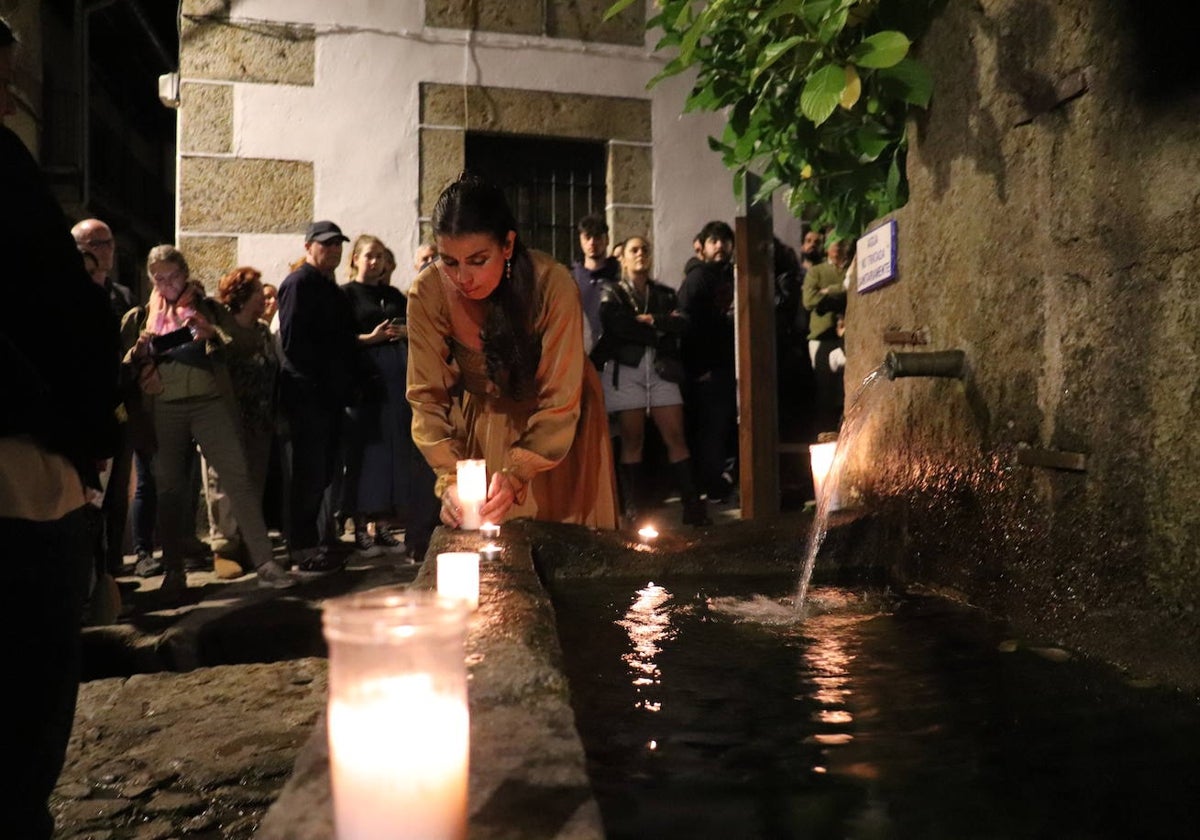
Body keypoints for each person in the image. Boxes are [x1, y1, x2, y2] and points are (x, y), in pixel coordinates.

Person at [1, 17, 121, 836]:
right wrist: (90, 433)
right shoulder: (3, 171)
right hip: (21, 472)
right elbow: (54, 317)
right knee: (21, 720)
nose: (12, 92)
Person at [407, 173, 619, 529]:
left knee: (563, 544)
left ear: (507, 245)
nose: (463, 278)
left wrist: (519, 472)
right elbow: (426, 397)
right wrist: (449, 477)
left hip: (559, 431)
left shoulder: (552, 284)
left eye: (477, 260)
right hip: (485, 423)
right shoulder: (429, 292)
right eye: (450, 261)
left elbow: (560, 399)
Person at [121, 246, 294, 596]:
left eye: (173, 276)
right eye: (159, 278)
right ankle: (173, 571)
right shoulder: (141, 316)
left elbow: (244, 340)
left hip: (210, 404)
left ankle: (265, 562)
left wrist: (211, 333)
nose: (167, 284)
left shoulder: (209, 307)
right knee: (169, 489)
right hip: (165, 406)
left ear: (185, 274)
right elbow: (124, 363)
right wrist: (140, 351)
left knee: (238, 479)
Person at [591, 236, 709, 527]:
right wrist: (658, 329)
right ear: (623, 257)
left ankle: (692, 506)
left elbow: (683, 323)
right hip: (627, 370)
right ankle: (634, 508)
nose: (641, 254)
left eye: (645, 249)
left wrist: (653, 320)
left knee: (676, 437)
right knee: (633, 438)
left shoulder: (664, 293)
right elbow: (616, 325)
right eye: (634, 250)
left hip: (661, 370)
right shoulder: (613, 290)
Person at [341, 234, 438, 561]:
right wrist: (371, 338)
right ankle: (359, 528)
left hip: (397, 384)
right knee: (367, 455)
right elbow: (339, 339)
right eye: (369, 255)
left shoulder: (394, 295)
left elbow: (416, 326)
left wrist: (406, 333)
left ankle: (383, 525)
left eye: (381, 257)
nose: (375, 262)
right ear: (354, 258)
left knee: (393, 456)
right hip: (367, 385)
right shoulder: (346, 296)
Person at [277, 220, 360, 574]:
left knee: (323, 472)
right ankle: (301, 549)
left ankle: (315, 544)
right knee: (310, 474)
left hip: (329, 395)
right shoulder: (299, 284)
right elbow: (294, 344)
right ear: (309, 246)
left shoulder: (331, 288)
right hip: (309, 394)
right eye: (326, 244)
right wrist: (319, 381)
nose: (334, 250)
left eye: (338, 245)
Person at [205, 266, 281, 579]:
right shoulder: (224, 331)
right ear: (241, 297)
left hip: (260, 419)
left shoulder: (263, 331)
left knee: (254, 482)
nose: (263, 297)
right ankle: (224, 548)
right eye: (256, 292)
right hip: (229, 419)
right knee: (222, 485)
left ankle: (251, 544)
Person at [677, 219, 739, 504]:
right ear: (702, 246)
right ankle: (711, 486)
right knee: (710, 431)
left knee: (726, 427)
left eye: (725, 241)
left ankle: (721, 483)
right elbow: (687, 327)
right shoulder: (697, 279)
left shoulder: (733, 276)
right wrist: (697, 369)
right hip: (707, 370)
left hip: (729, 366)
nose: (721, 246)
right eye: (715, 240)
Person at [803, 237, 851, 434]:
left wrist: (829, 290)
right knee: (824, 392)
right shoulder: (817, 271)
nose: (837, 246)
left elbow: (853, 291)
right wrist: (842, 291)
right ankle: (824, 433)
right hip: (822, 338)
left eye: (841, 242)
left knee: (845, 389)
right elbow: (809, 300)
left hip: (846, 336)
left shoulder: (851, 270)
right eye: (833, 242)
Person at [571, 213, 619, 354]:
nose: (592, 242)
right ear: (581, 240)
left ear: (607, 239)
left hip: (611, 357)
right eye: (587, 237)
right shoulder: (570, 278)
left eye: (597, 237)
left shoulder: (620, 278)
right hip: (577, 353)